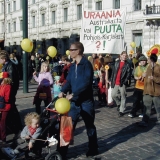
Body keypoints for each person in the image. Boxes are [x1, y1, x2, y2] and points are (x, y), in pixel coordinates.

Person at [58, 42, 98, 159]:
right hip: (75, 103)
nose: (69, 52)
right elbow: (69, 81)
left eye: (72, 50)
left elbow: (86, 83)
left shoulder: (86, 65)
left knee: (90, 126)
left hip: (86, 102)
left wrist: (74, 94)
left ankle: (93, 148)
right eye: (69, 49)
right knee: (67, 126)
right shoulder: (73, 65)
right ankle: (61, 152)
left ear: (78, 51)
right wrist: (63, 90)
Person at [0, 50, 21, 134]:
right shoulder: (5, 65)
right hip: (7, 90)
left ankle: (16, 126)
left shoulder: (10, 66)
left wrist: (10, 91)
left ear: (4, 59)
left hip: (10, 91)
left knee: (11, 108)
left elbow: (10, 80)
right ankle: (13, 126)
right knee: (11, 109)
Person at [138, 53, 160, 127]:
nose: (147, 59)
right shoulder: (148, 67)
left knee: (158, 107)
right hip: (147, 90)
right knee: (146, 106)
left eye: (148, 58)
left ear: (151, 60)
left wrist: (153, 78)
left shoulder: (157, 67)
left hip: (155, 91)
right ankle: (145, 121)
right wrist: (144, 76)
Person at [111, 51, 131, 117]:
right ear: (121, 55)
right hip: (116, 82)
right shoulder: (116, 63)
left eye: (125, 56)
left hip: (122, 83)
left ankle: (121, 110)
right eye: (123, 55)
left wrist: (125, 81)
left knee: (123, 96)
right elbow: (113, 72)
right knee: (113, 95)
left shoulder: (127, 64)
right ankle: (119, 104)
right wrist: (111, 81)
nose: (124, 57)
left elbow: (128, 74)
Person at [0, 72, 12, 144]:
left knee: (3, 123)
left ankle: (3, 138)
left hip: (5, 106)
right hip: (1, 106)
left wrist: (1, 98)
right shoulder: (2, 85)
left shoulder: (8, 86)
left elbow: (7, 99)